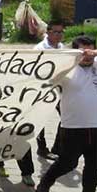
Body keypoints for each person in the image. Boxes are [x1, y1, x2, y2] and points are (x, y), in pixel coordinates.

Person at [36, 37, 97, 192]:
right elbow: (44, 74)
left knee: (94, 168)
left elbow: (95, 56)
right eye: (82, 52)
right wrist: (69, 59)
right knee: (68, 163)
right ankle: (46, 182)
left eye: (90, 51)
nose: (87, 56)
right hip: (73, 127)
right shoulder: (66, 70)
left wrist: (95, 53)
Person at [35, 21, 66, 160]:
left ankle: (58, 148)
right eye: (56, 32)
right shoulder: (40, 49)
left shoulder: (62, 47)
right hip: (43, 89)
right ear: (48, 32)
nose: (59, 35)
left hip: (59, 89)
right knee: (40, 119)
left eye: (61, 32)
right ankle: (42, 148)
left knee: (65, 118)